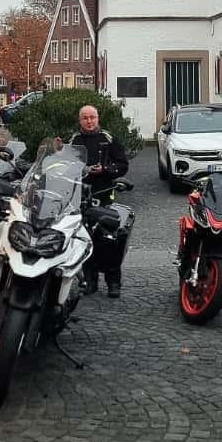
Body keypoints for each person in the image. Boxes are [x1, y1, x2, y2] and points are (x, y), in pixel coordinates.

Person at [69, 105, 128, 298]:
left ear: (98, 118)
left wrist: (106, 170)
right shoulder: (75, 140)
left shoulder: (108, 138)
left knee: (109, 240)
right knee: (85, 240)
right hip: (81, 197)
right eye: (85, 118)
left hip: (104, 195)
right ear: (80, 120)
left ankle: (113, 282)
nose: (89, 121)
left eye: (92, 117)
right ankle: (90, 280)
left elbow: (123, 165)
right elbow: (67, 164)